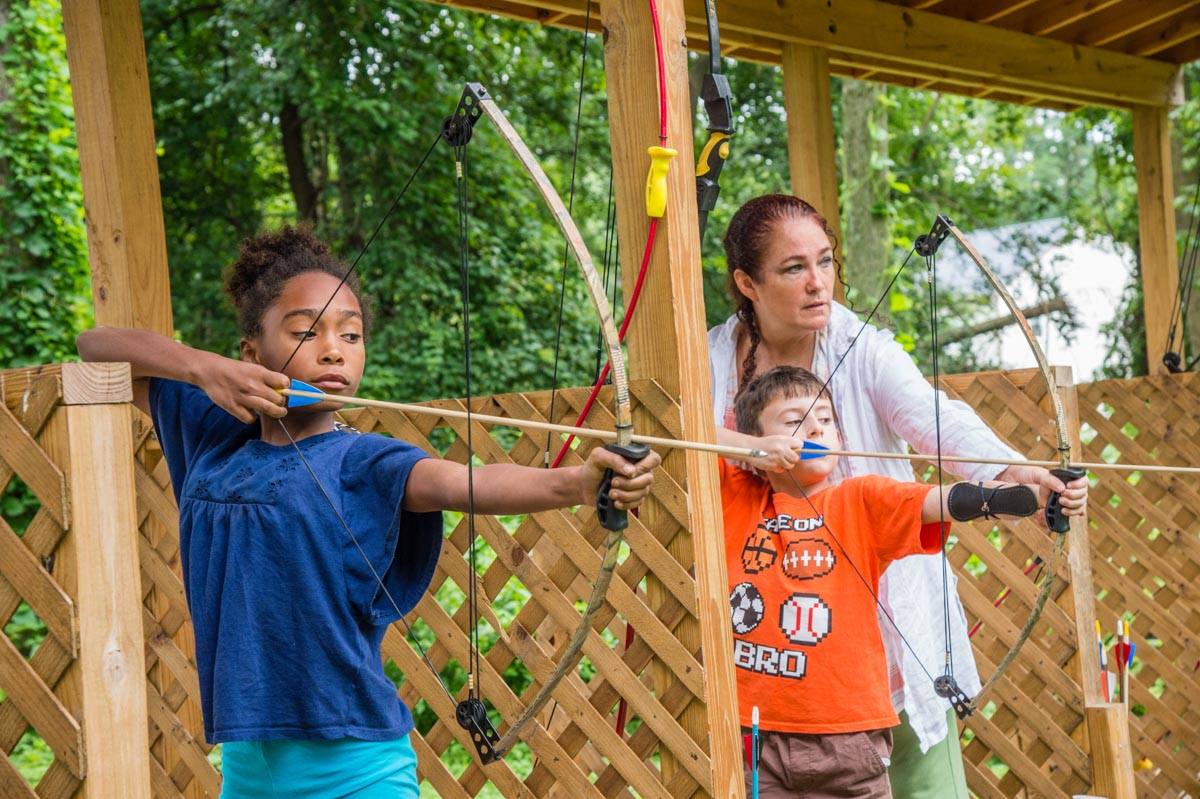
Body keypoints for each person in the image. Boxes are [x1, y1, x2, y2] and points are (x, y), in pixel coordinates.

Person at [76, 226, 660, 798]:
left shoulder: (365, 461)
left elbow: (469, 484)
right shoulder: (208, 435)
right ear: (252, 352)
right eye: (306, 332)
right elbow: (94, 345)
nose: (333, 348)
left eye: (350, 336)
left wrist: (580, 483)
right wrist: (202, 369)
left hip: (356, 768)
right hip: (248, 768)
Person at [709, 194, 1088, 798]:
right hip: (768, 650)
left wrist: (1016, 474)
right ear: (746, 283)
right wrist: (747, 447)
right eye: (793, 268)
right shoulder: (713, 359)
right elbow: (678, 435)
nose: (818, 284)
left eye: (826, 262)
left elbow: (937, 421)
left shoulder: (861, 346)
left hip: (884, 628)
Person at [723, 365, 1085, 798]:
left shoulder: (860, 499)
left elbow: (947, 501)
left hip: (848, 738)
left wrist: (1027, 493)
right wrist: (750, 449)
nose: (818, 426)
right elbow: (678, 431)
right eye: (795, 420)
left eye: (826, 417)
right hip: (754, 738)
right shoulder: (737, 496)